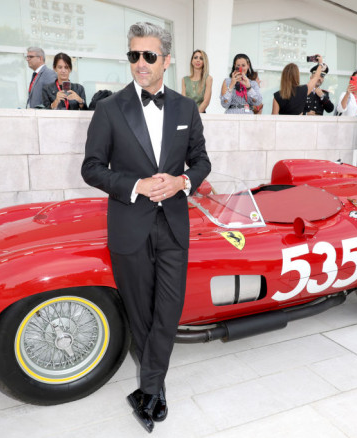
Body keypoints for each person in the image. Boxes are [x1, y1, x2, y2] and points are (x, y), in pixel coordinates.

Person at [80, 22, 210, 432]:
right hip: (129, 224)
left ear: (166, 61)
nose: (140, 63)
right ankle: (154, 388)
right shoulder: (109, 109)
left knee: (168, 311)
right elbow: (92, 169)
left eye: (148, 56)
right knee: (141, 313)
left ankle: (150, 385)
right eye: (134, 55)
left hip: (173, 223)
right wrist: (135, 185)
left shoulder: (186, 108)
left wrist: (183, 182)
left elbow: (202, 161)